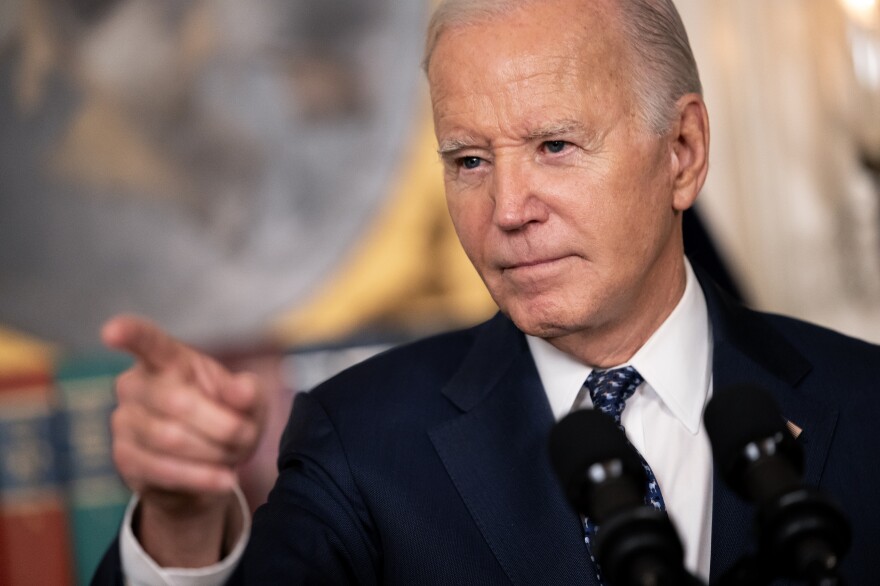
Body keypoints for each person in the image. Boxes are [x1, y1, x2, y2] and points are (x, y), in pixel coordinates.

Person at [92, 0, 880, 584]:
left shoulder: (867, 404)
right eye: (469, 160)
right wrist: (182, 528)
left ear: (682, 151)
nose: (507, 211)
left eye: (555, 146)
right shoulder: (361, 441)